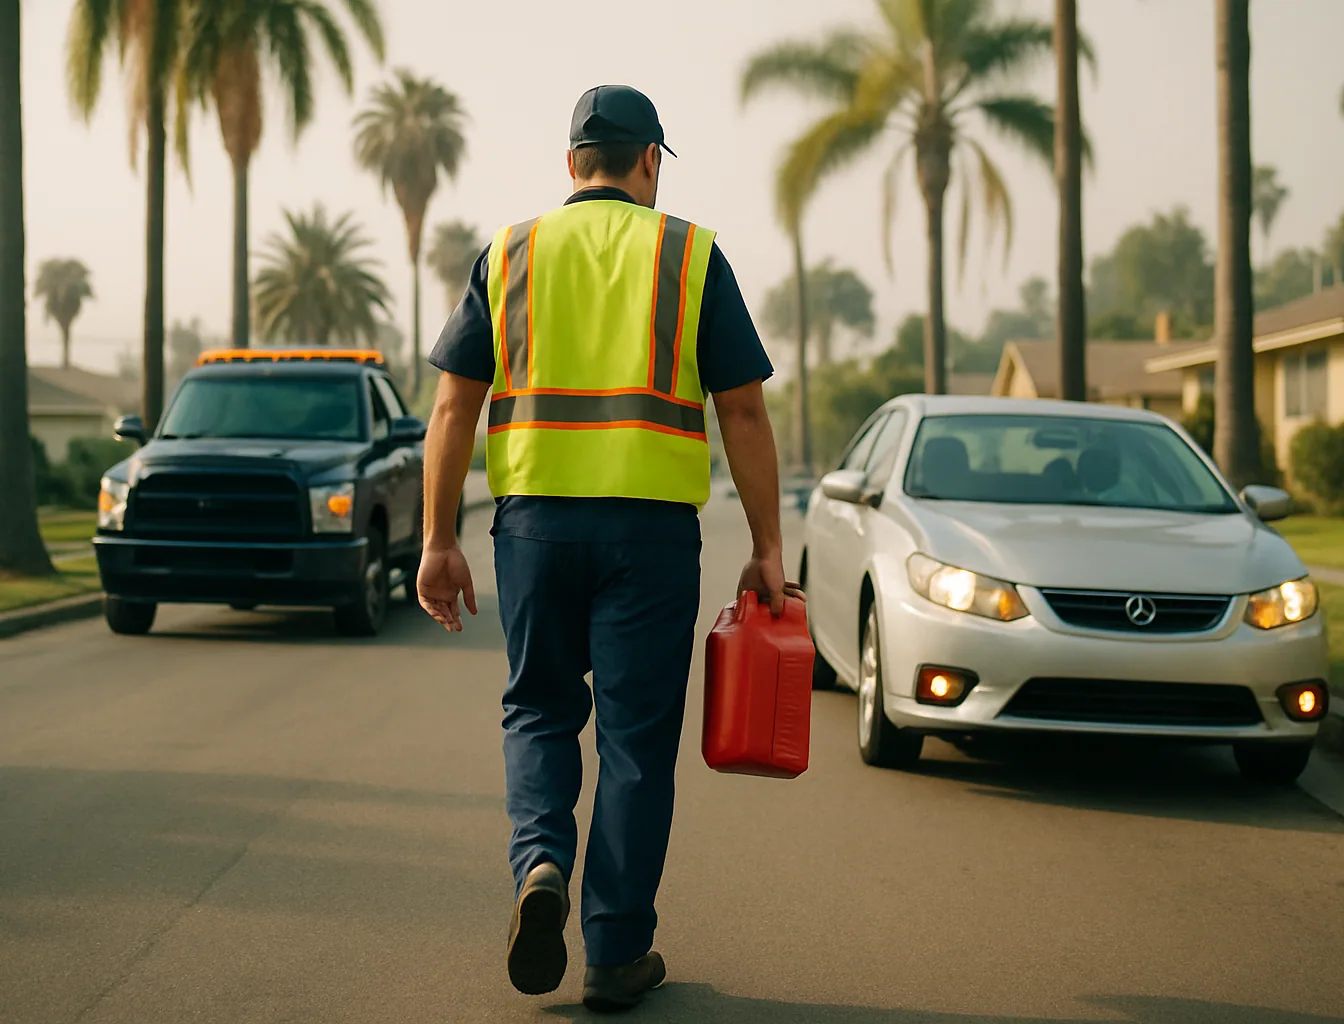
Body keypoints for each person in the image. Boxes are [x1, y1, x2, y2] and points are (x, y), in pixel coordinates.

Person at [416, 84, 797, 1012]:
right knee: (634, 743)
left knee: (540, 709)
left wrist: (436, 539)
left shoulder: (509, 253)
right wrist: (767, 545)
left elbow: (453, 405)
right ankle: (615, 953)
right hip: (651, 536)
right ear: (650, 162)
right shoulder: (690, 254)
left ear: (572, 164)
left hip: (535, 527)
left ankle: (541, 862)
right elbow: (741, 408)